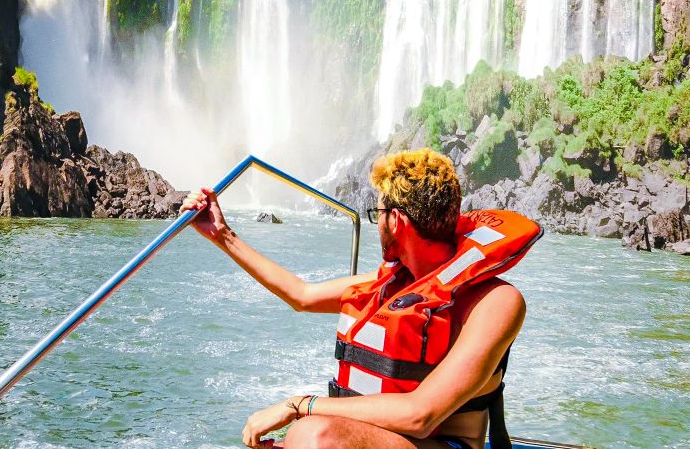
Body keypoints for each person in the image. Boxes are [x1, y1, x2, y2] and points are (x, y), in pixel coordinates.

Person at [180, 148, 534, 449]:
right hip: (376, 437)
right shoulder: (392, 285)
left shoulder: (496, 302)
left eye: (376, 214)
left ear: (396, 221)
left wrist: (300, 405)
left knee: (314, 435)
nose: (376, 223)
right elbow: (301, 295)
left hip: (442, 444)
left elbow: (420, 415)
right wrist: (221, 234)